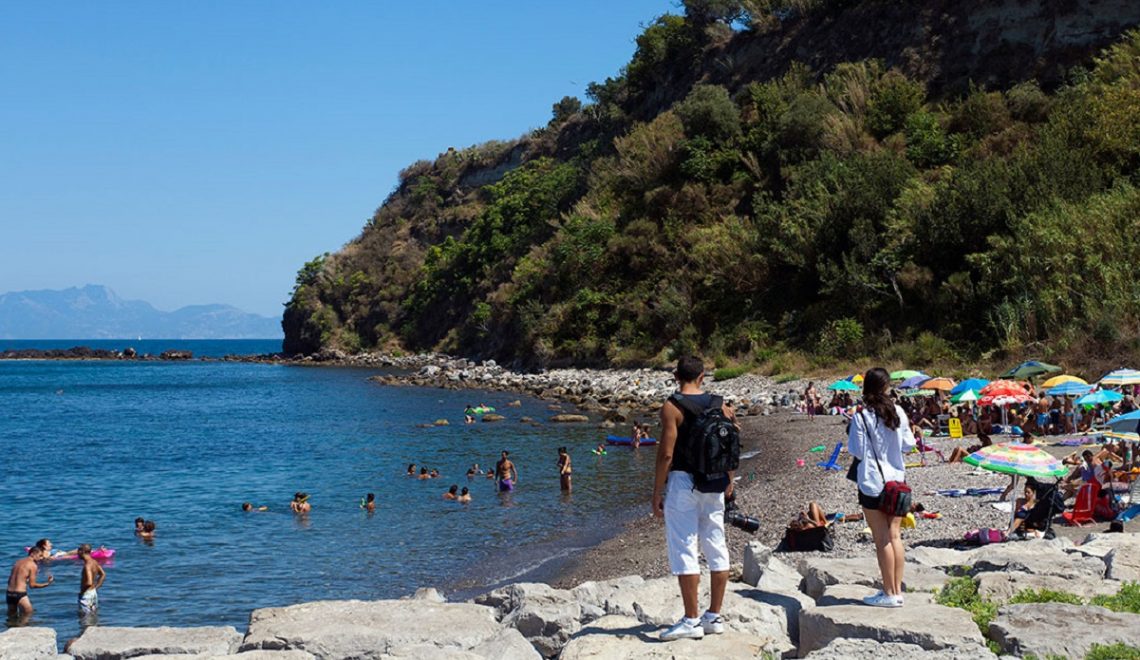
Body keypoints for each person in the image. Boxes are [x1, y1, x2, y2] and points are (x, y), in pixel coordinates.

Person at [652, 356, 736, 641]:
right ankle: (714, 615)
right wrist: (730, 479)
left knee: (685, 547)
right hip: (715, 481)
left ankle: (691, 620)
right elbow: (729, 444)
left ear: (676, 376)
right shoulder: (720, 404)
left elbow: (665, 454)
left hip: (683, 481)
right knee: (716, 544)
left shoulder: (672, 407)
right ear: (703, 376)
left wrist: (656, 491)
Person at [848, 367, 916, 608]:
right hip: (897, 481)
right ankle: (896, 590)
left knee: (882, 538)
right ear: (886, 387)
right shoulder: (898, 411)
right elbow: (909, 444)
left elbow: (856, 451)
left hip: (872, 483)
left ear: (866, 387)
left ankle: (889, 592)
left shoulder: (861, 416)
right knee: (895, 535)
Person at [6, 546, 52, 619]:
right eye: (40, 556)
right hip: (20, 594)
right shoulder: (33, 565)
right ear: (32, 554)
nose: (41, 558)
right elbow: (32, 585)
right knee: (28, 614)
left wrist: (24, 581)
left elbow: (10, 579)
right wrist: (47, 584)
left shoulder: (18, 562)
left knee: (11, 616)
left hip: (9, 593)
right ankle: (21, 628)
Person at [77, 544, 105, 618]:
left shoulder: (87, 565)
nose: (77, 553)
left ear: (82, 551)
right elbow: (103, 574)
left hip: (87, 594)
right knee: (93, 616)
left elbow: (89, 582)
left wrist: (82, 592)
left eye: (78, 550)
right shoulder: (94, 562)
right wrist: (96, 587)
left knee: (86, 618)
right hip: (93, 592)